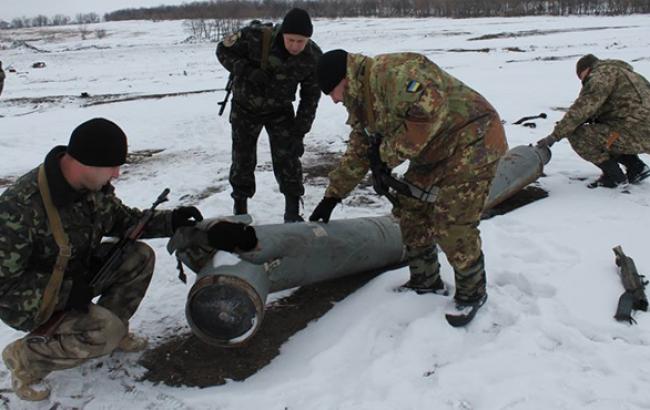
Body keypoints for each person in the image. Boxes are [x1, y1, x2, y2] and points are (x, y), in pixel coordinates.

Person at [0, 118, 258, 401]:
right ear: (86, 162)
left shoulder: (90, 189)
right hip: (33, 301)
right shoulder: (20, 209)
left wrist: (174, 221)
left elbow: (126, 222)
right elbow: (4, 286)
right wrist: (63, 294)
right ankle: (26, 358)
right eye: (112, 166)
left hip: (76, 278)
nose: (117, 174)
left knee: (138, 256)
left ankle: (111, 328)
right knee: (104, 332)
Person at [309, 50, 508, 327]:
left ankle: (472, 291)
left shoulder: (396, 73)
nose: (334, 98)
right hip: (434, 150)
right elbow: (360, 149)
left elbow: (426, 120)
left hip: (474, 140)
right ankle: (425, 280)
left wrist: (385, 158)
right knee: (410, 206)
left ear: (346, 78)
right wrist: (333, 196)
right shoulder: (360, 98)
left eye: (333, 91)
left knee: (452, 219)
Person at [216, 8, 322, 222]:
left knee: (288, 158)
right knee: (242, 158)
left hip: (280, 111)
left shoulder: (312, 57)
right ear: (282, 33)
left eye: (300, 41)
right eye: (291, 40)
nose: (295, 46)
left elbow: (310, 97)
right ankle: (240, 206)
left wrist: (299, 132)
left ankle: (293, 209)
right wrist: (247, 71)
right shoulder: (255, 37)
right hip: (245, 108)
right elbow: (222, 51)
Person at [537, 54, 650, 188]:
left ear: (586, 69)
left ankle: (614, 177)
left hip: (637, 133)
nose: (583, 82)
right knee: (606, 131)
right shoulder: (624, 73)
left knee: (576, 135)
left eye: (582, 78)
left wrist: (554, 136)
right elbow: (620, 108)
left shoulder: (601, 76)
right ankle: (636, 168)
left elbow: (581, 109)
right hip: (638, 131)